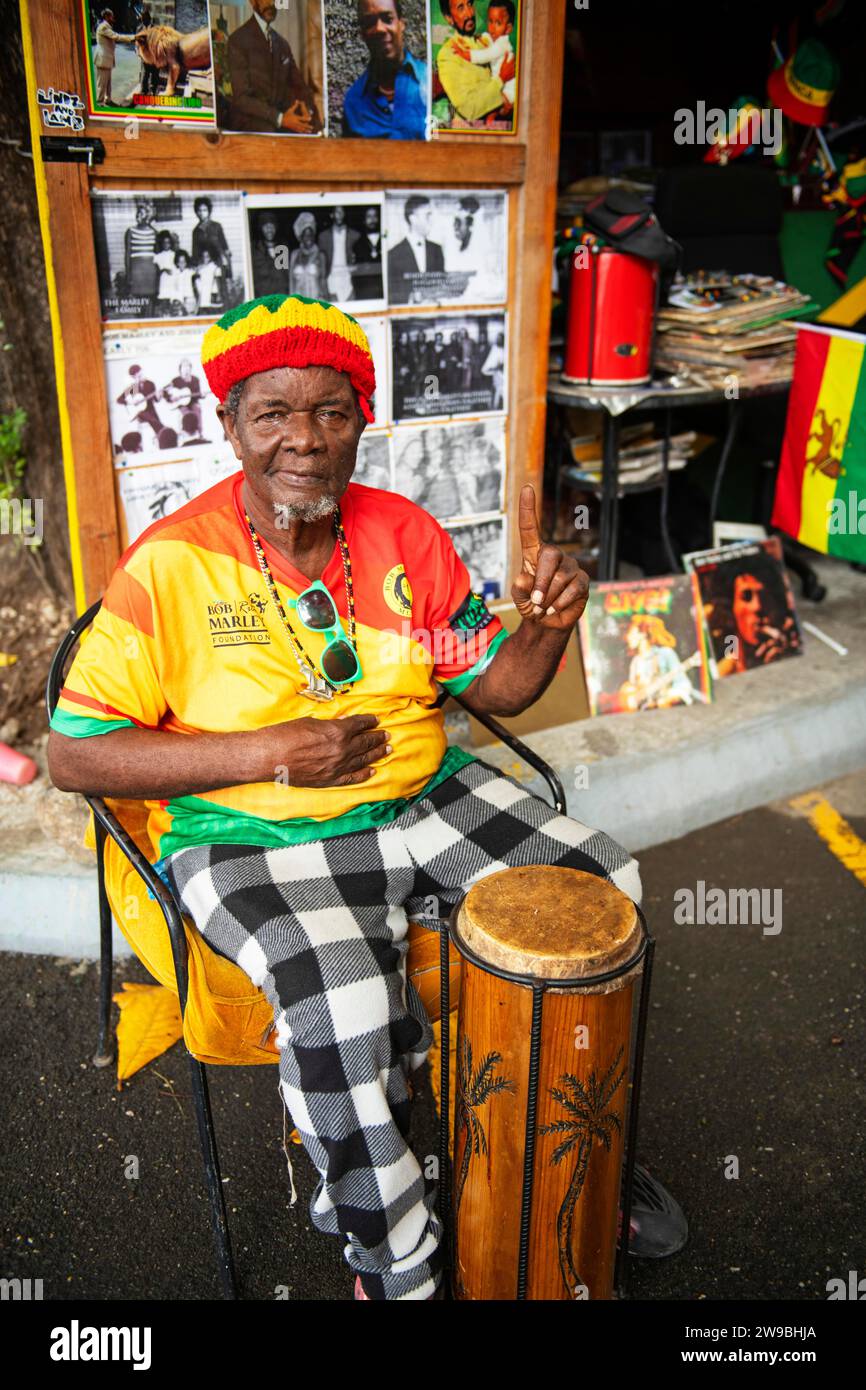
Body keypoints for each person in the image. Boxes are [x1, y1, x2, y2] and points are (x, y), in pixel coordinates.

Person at [48, 293, 640, 1302]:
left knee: (601, 889)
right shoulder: (172, 565)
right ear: (228, 424)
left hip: (421, 793)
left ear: (361, 420)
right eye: (272, 411)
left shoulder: (403, 533)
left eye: (330, 410)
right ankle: (393, 1255)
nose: (304, 440)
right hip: (249, 825)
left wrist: (543, 624)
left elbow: (490, 685)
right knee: (343, 1006)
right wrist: (267, 750)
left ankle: (554, 1157)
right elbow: (75, 755)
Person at [225, 0, 323, 134]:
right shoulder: (237, 40)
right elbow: (242, 98)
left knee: (313, 126)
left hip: (281, 116)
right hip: (251, 119)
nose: (271, 3)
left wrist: (308, 111)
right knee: (270, 131)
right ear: (253, 2)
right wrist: (280, 118)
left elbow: (300, 86)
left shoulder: (282, 44)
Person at [343, 0, 428, 141]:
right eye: (370, 23)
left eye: (387, 19)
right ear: (362, 34)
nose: (379, 29)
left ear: (401, 24)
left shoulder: (430, 83)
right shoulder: (353, 102)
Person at [436, 0, 514, 125]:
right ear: (449, 18)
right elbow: (469, 109)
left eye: (470, 4)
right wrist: (501, 79)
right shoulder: (448, 55)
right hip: (471, 133)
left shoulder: (486, 41)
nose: (470, 13)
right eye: (461, 8)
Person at [452, 1, 516, 107]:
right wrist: (473, 40)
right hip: (499, 84)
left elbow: (485, 55)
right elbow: (484, 37)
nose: (492, 27)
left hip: (509, 88)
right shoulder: (493, 37)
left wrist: (466, 54)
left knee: (497, 106)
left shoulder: (502, 44)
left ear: (508, 28)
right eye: (490, 21)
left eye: (498, 23)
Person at [387, 195, 445, 305]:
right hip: (407, 320)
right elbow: (390, 294)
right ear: (413, 219)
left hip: (434, 319)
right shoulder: (393, 255)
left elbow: (442, 285)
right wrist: (411, 298)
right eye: (427, 216)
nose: (431, 221)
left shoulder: (437, 249)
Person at [191, 197, 232, 306]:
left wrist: (228, 267)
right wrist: (196, 266)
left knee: (222, 289)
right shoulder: (196, 231)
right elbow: (195, 251)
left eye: (204, 210)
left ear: (209, 211)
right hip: (205, 263)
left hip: (218, 261)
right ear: (196, 212)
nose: (202, 213)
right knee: (207, 293)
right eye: (199, 210)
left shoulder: (217, 226)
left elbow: (225, 247)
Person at [318, 205, 359, 303]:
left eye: (342, 212)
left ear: (345, 214)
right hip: (332, 281)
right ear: (332, 215)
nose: (339, 215)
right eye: (337, 212)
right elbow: (321, 265)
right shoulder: (323, 237)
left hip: (349, 281)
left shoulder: (355, 235)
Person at [94, 8, 135, 107]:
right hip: (102, 58)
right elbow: (116, 37)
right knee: (102, 83)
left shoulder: (107, 26)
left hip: (106, 59)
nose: (113, 18)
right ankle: (99, 103)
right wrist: (132, 38)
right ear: (107, 17)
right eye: (111, 16)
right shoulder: (104, 27)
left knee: (107, 83)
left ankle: (108, 100)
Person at [124, 199, 159, 308]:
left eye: (143, 212)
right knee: (140, 302)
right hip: (137, 271)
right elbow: (127, 254)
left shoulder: (154, 232)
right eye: (138, 212)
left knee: (151, 300)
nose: (140, 215)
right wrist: (128, 274)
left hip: (151, 270)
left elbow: (157, 255)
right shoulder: (130, 231)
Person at [116, 363, 164, 443]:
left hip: (151, 410)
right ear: (134, 377)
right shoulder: (134, 387)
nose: (141, 376)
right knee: (151, 419)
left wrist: (159, 396)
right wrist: (131, 402)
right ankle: (164, 431)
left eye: (142, 374)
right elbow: (119, 400)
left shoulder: (150, 384)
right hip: (139, 413)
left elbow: (156, 400)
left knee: (155, 420)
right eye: (138, 376)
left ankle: (162, 436)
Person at [289, 212, 327, 299]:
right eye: (305, 235)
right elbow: (291, 283)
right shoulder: (294, 255)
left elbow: (323, 282)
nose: (308, 238)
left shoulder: (321, 255)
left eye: (310, 234)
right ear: (300, 237)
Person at [251, 214, 289, 296]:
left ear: (276, 228)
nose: (269, 230)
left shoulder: (282, 248)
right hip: (263, 297)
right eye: (266, 227)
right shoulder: (255, 249)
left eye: (272, 226)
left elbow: (284, 276)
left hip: (280, 297)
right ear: (261, 229)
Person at [352, 205, 384, 300]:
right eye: (369, 217)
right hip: (366, 294)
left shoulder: (386, 241)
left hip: (384, 292)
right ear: (364, 220)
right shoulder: (357, 245)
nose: (372, 220)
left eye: (375, 216)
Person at [481, 330, 505, 410]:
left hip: (501, 374)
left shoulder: (505, 349)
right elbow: (489, 362)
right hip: (491, 373)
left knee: (500, 391)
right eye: (497, 338)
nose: (498, 340)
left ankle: (495, 406)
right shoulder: (494, 349)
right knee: (492, 390)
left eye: (500, 338)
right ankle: (492, 407)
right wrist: (492, 368)